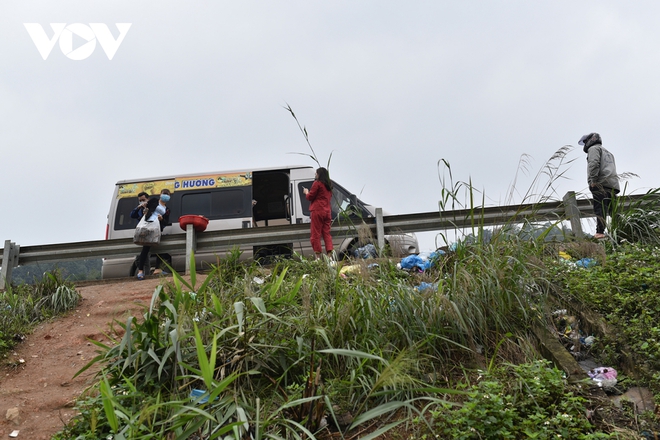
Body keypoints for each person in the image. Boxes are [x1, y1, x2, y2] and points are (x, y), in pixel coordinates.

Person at [579, 133, 620, 239]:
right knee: (613, 211)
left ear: (590, 140)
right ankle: (620, 231)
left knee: (600, 208)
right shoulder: (608, 152)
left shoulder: (593, 149)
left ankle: (600, 233)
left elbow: (594, 163)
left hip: (600, 183)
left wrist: (593, 181)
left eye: (585, 142)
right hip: (613, 185)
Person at [136, 189, 171, 279]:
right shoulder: (154, 201)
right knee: (145, 249)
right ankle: (140, 271)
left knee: (161, 248)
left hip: (157, 229)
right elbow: (146, 206)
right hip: (148, 226)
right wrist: (144, 208)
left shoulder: (167, 209)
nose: (165, 196)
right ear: (160, 195)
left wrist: (162, 219)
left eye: (167, 194)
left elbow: (166, 221)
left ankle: (157, 269)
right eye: (164, 194)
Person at [303, 167, 334, 259]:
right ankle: (330, 256)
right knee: (326, 234)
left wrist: (306, 192)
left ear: (319, 174)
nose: (315, 175)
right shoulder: (329, 186)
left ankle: (318, 257)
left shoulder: (317, 184)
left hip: (317, 211)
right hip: (327, 212)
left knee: (315, 234)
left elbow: (310, 197)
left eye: (316, 173)